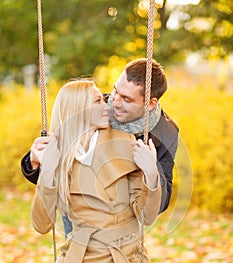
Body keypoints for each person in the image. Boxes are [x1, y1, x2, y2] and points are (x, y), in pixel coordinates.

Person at [30, 78, 161, 263]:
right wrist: (48, 174)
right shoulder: (60, 153)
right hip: (77, 262)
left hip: (119, 262)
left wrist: (151, 175)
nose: (108, 103)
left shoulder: (126, 143)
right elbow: (41, 224)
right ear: (78, 110)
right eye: (98, 101)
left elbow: (146, 217)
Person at [21, 58, 178, 237]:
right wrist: (33, 163)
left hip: (121, 212)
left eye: (126, 99)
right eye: (115, 90)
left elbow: (161, 199)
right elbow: (61, 145)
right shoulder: (100, 106)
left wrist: (148, 170)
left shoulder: (166, 134)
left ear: (150, 103)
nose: (114, 101)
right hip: (78, 205)